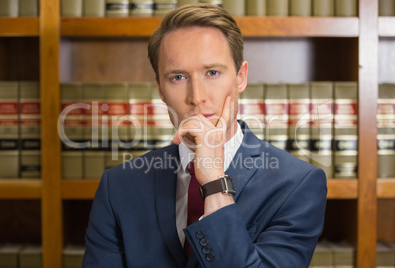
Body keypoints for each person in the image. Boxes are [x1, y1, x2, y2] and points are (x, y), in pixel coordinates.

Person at [82, 3, 327, 267]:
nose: (196, 97)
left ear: (240, 77)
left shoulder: (298, 184)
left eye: (212, 72)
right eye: (178, 77)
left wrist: (214, 183)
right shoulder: (117, 186)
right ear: (161, 90)